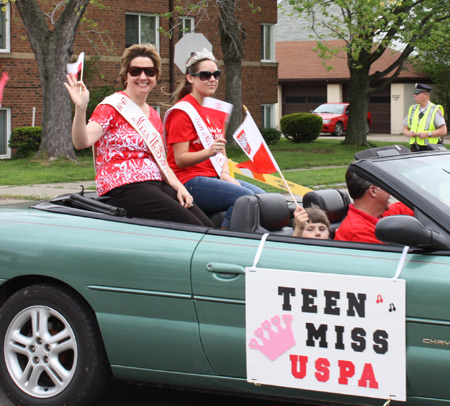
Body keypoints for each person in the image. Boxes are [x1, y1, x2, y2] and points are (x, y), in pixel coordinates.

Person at [64, 44, 213, 227]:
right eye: (136, 71)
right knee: (194, 227)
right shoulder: (111, 107)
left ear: (156, 77)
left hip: (156, 184)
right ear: (126, 76)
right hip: (124, 186)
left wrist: (179, 187)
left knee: (208, 226)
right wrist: (80, 108)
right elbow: (82, 142)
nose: (143, 77)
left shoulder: (153, 115)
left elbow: (162, 162)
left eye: (149, 71)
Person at [164, 48, 265, 229]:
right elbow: (180, 159)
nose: (212, 79)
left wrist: (225, 173)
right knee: (246, 200)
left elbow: (221, 151)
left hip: (215, 176)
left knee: (264, 199)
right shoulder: (182, 111)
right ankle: (223, 236)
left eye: (216, 74)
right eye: (205, 75)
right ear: (190, 78)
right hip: (189, 179)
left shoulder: (216, 109)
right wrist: (208, 151)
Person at [334, 169, 414, 243]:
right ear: (373, 191)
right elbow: (388, 257)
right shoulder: (358, 232)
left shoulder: (379, 215)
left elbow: (415, 207)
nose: (390, 192)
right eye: (387, 186)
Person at [403, 83, 447, 152]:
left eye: (417, 94)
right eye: (414, 93)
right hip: (414, 149)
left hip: (430, 149)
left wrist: (427, 134)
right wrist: (409, 133)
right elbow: (405, 129)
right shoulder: (412, 109)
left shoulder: (435, 110)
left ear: (426, 95)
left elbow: (443, 131)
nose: (414, 96)